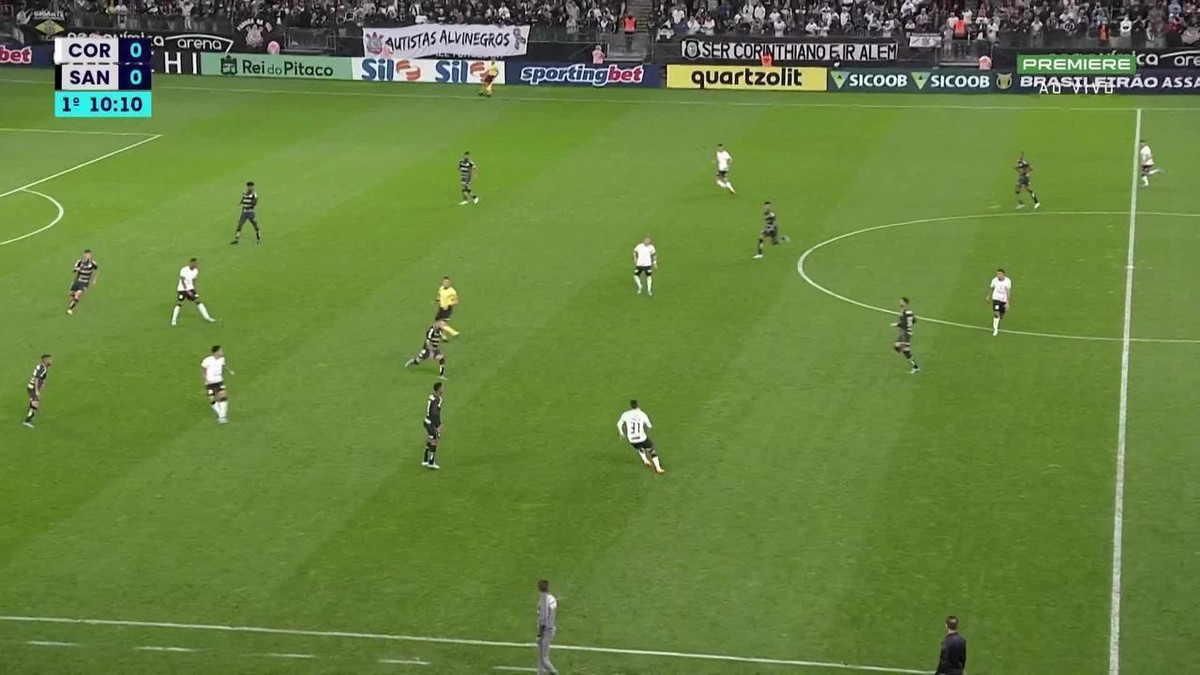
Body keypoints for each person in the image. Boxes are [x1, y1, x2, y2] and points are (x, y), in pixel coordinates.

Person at [617, 399, 664, 474]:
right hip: (642, 438)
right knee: (651, 451)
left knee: (639, 447)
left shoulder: (625, 414)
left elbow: (619, 424)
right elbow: (649, 426)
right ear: (637, 405)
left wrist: (621, 433)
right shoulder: (642, 414)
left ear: (630, 406)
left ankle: (645, 460)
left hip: (631, 439)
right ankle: (658, 468)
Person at [172, 258, 217, 326]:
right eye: (195, 263)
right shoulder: (184, 270)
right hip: (182, 289)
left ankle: (207, 317)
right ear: (191, 263)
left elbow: (194, 280)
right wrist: (187, 291)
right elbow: (182, 281)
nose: (196, 265)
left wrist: (195, 290)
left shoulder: (196, 271)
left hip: (191, 288)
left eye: (196, 264)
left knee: (198, 301)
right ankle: (174, 319)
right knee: (179, 303)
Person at [201, 345, 234, 424]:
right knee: (212, 400)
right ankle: (220, 414)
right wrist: (205, 380)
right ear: (216, 352)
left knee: (223, 397)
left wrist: (230, 371)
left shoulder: (222, 359)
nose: (222, 352)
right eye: (220, 351)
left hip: (219, 381)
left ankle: (222, 417)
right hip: (210, 382)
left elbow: (224, 365)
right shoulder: (207, 360)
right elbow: (203, 371)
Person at [22, 354, 51, 428]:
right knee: (35, 406)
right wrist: (37, 390)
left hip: (31, 386)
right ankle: (27, 421)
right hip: (33, 388)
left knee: (34, 403)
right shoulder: (43, 368)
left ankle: (30, 409)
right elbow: (37, 379)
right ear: (44, 360)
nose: (50, 360)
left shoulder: (41, 366)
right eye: (48, 359)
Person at [67, 249, 99, 315]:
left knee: (78, 294)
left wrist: (95, 279)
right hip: (78, 280)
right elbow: (74, 270)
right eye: (87, 254)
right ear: (84, 255)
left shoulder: (93, 263)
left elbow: (96, 270)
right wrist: (78, 269)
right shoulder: (79, 262)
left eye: (89, 255)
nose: (88, 256)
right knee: (71, 294)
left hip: (85, 282)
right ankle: (73, 297)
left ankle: (70, 308)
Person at [537, 579, 559, 675]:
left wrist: (540, 634)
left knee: (544, 658)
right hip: (551, 627)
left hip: (546, 631)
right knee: (541, 655)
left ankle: (554, 672)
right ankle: (541, 673)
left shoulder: (543, 600)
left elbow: (543, 619)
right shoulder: (552, 598)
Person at [892, 297, 920, 373]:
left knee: (899, 347)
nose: (900, 303)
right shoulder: (909, 312)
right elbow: (914, 321)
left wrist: (897, 325)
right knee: (903, 349)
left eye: (901, 302)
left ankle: (916, 367)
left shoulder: (904, 312)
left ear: (905, 303)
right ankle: (915, 367)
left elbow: (904, 324)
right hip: (905, 332)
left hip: (905, 334)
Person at [422, 381, 443, 469]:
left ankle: (425, 460)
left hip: (426, 421)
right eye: (442, 387)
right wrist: (438, 425)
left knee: (430, 438)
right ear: (439, 389)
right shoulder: (438, 399)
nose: (443, 389)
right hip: (431, 422)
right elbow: (435, 413)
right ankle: (431, 462)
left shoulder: (431, 396)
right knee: (435, 440)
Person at [989, 269, 1012, 336]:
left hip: (1003, 299)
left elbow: (1008, 291)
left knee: (1001, 314)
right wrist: (988, 296)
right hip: (996, 298)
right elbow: (991, 288)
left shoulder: (1007, 281)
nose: (998, 275)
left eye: (999, 274)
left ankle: (998, 319)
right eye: (997, 274)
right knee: (996, 312)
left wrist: (1007, 302)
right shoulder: (994, 280)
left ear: (1003, 274)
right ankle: (995, 329)